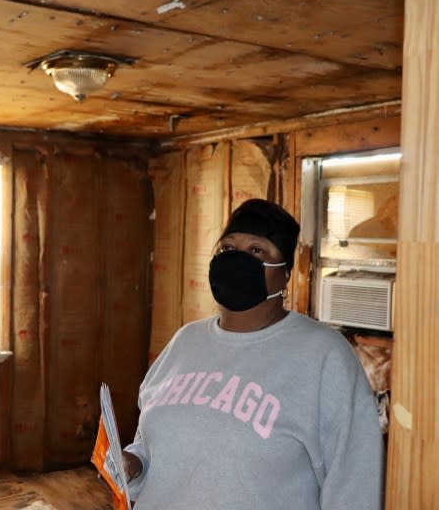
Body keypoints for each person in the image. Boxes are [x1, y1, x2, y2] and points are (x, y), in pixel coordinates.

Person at [122, 198, 384, 509]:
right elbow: (152, 446)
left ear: (285, 272)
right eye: (228, 249)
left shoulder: (324, 356)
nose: (237, 261)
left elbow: (355, 487)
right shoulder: (184, 341)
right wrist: (134, 465)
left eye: (257, 250)